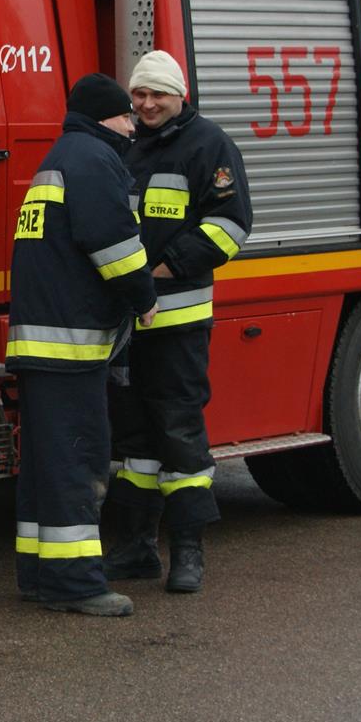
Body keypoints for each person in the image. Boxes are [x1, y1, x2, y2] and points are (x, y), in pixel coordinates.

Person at [9, 73, 158, 617]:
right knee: (77, 461)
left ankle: (40, 574)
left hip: (44, 344)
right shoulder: (94, 160)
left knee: (46, 466)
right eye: (125, 115)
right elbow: (113, 245)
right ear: (104, 117)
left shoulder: (60, 158)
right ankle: (75, 584)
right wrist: (143, 296)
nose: (133, 125)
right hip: (70, 348)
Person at [103, 49, 252, 595]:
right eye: (139, 94)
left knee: (179, 433)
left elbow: (231, 225)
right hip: (128, 323)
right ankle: (137, 549)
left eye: (157, 95)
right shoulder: (126, 143)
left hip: (179, 319)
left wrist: (162, 270)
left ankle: (189, 552)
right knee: (134, 442)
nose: (147, 104)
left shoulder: (208, 144)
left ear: (179, 95)